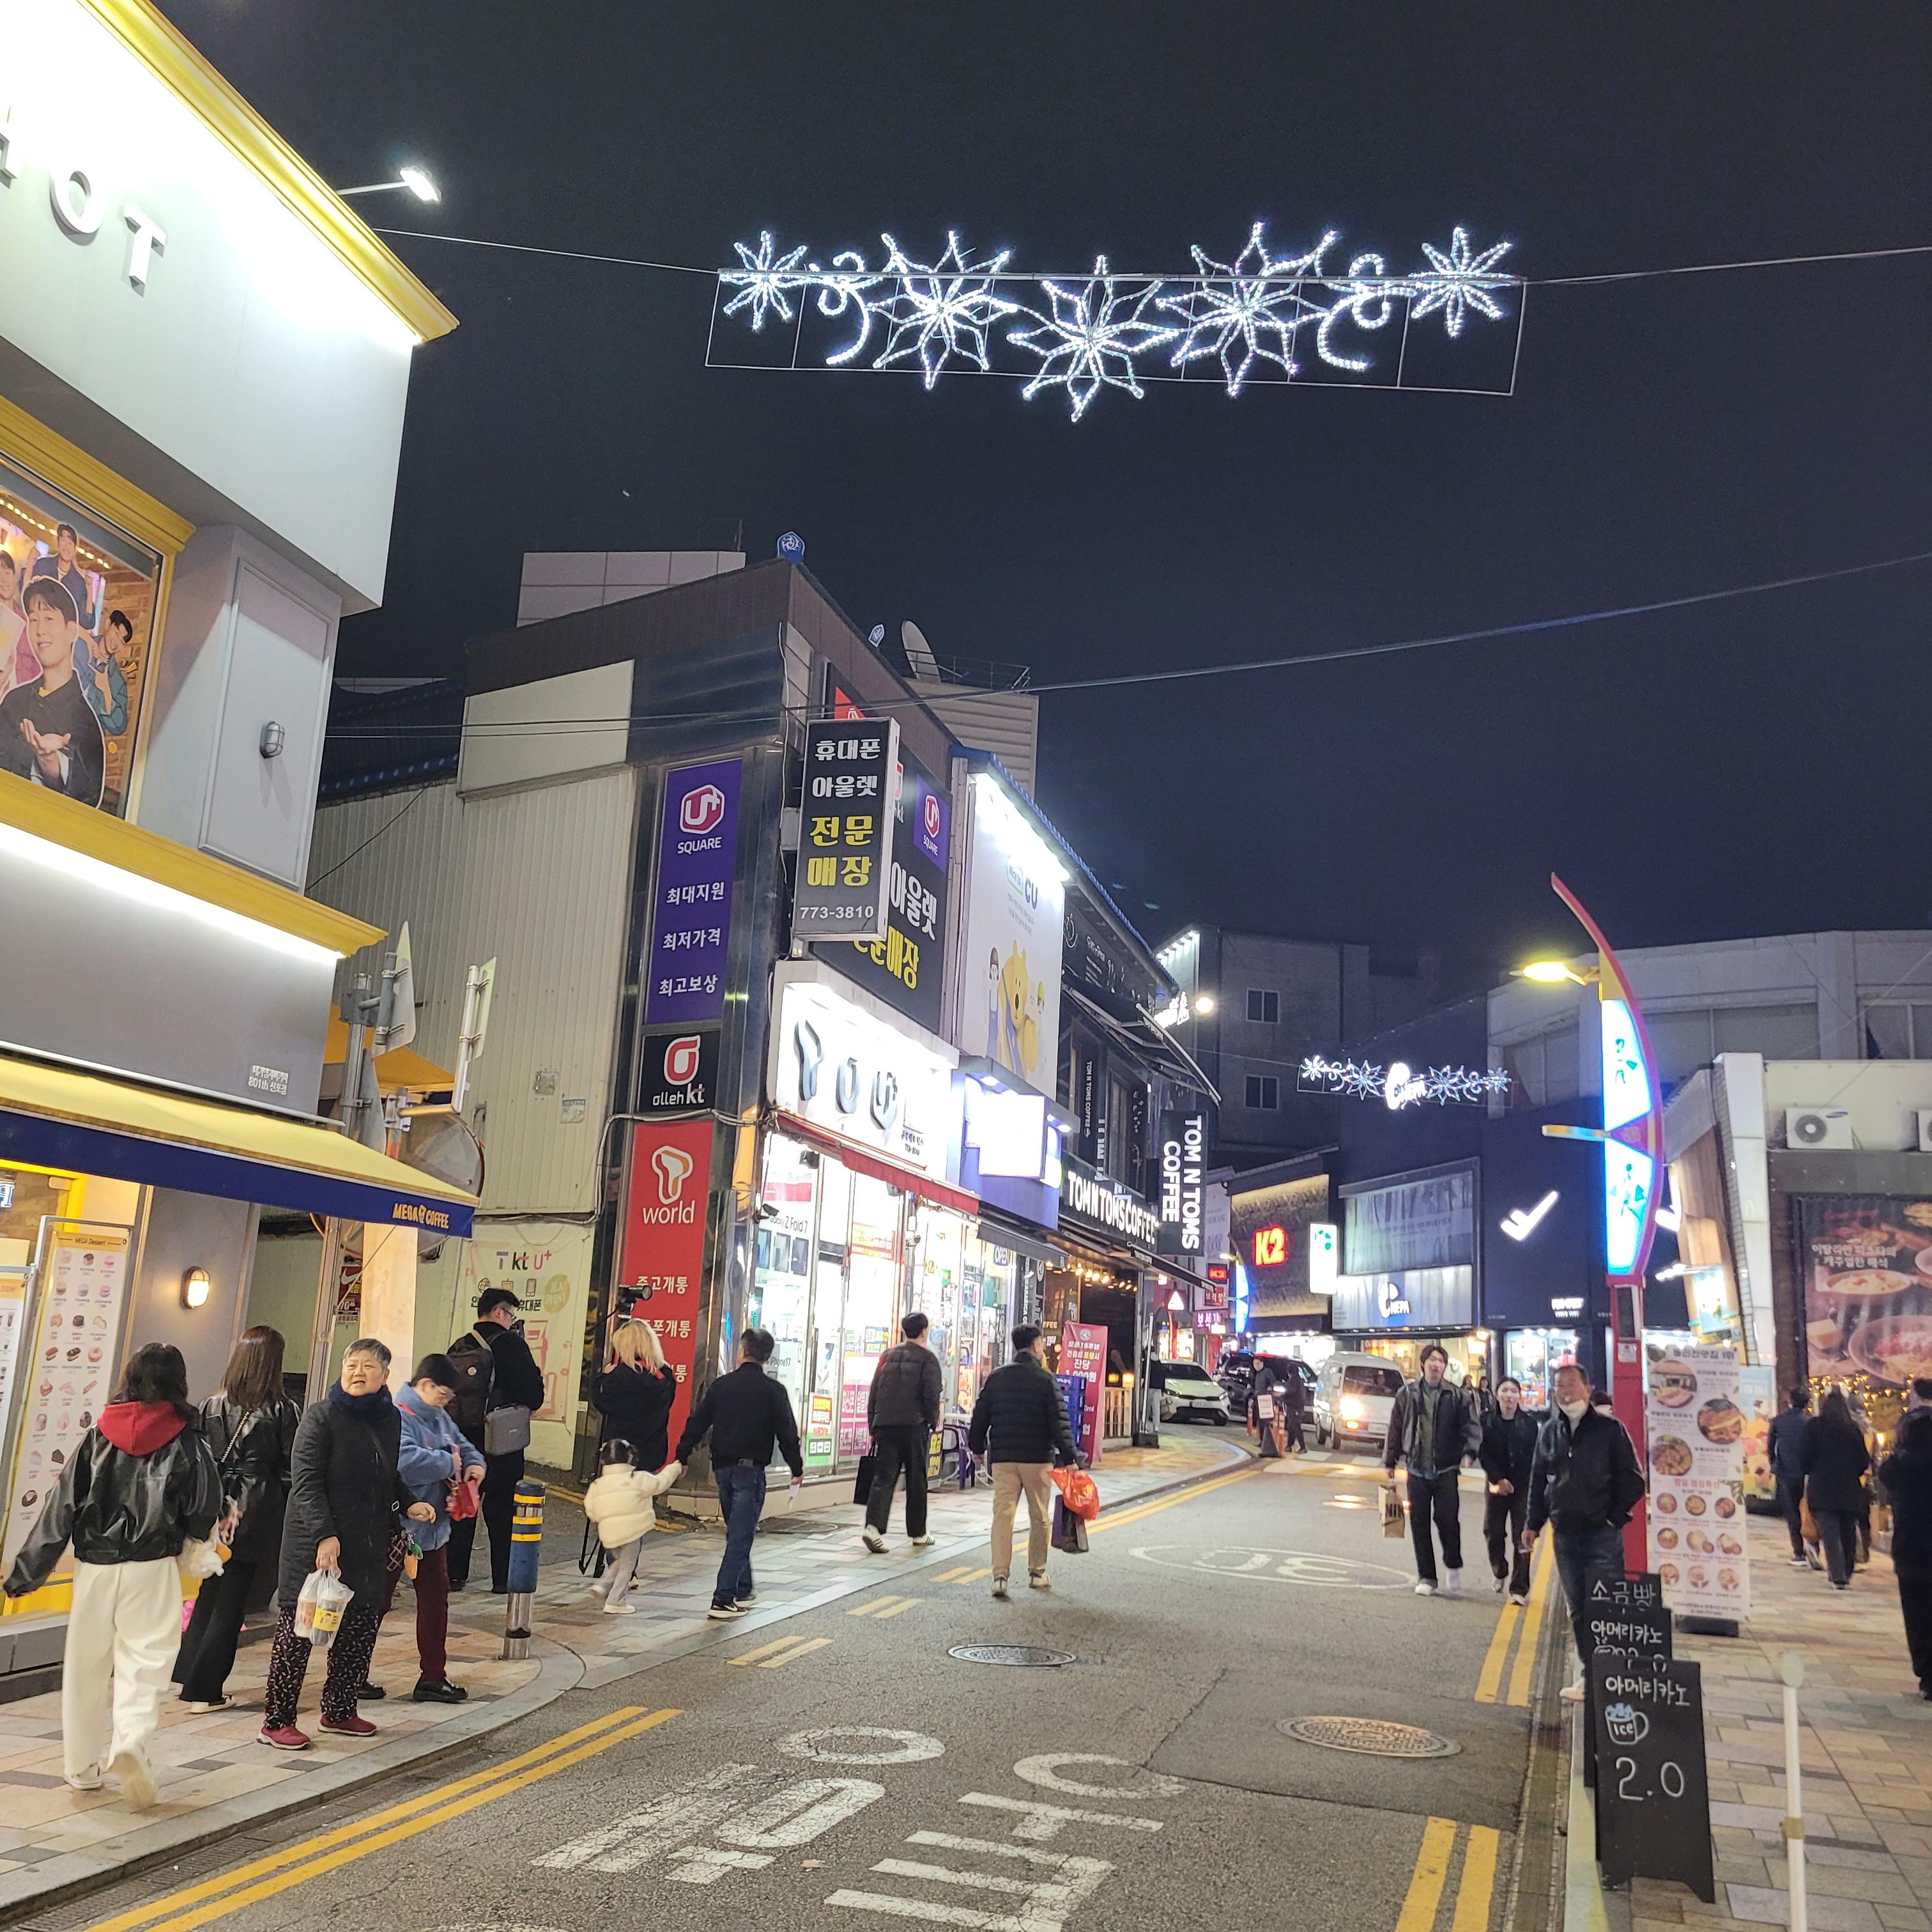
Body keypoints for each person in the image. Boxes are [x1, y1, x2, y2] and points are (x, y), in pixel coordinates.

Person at [5, 1343, 221, 1805]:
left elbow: (61, 1506)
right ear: (178, 1382)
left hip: (94, 1569)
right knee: (146, 1660)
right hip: (152, 1567)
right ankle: (131, 1740)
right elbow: (205, 1503)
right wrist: (194, 1541)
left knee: (85, 1666)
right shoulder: (187, 1437)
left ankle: (81, 1768)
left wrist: (26, 1573)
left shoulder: (98, 1434)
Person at [259, 1338, 436, 1751]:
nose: (358, 1373)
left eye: (368, 1367)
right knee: (300, 1632)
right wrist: (325, 1535)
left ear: (385, 1376)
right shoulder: (320, 1417)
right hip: (315, 1544)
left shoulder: (389, 1418)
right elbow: (306, 1483)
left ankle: (339, 1711)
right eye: (352, 1365)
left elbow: (387, 1474)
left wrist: (409, 1502)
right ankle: (276, 1721)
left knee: (358, 1629)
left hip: (367, 1542)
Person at [174, 1326, 300, 1712]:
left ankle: (187, 1674)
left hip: (214, 1504)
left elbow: (197, 1457)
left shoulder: (211, 1404)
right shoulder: (283, 1409)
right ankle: (204, 1690)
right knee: (232, 1603)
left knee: (210, 1592)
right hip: (255, 1510)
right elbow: (290, 1470)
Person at [1524, 1362, 1646, 1702]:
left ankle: (1610, 1676)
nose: (1565, 1392)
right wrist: (1533, 1524)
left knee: (1605, 1606)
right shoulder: (1549, 1431)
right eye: (1559, 1386)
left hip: (1601, 1536)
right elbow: (1539, 1480)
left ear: (1588, 1389)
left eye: (1571, 1384)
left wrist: (1614, 1519)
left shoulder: (1610, 1429)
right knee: (1578, 1606)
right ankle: (1588, 1674)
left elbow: (1634, 1480)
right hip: (1565, 1535)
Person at [673, 1327, 802, 1621]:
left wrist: (683, 1455)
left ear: (742, 1351)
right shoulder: (774, 1391)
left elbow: (697, 1422)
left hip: (722, 1470)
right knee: (741, 1535)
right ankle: (723, 1599)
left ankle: (743, 1589)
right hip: (750, 1472)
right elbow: (787, 1434)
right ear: (766, 1357)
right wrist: (796, 1469)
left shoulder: (721, 1386)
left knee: (737, 1531)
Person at [392, 1355, 487, 1702]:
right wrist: (449, 1462)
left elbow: (464, 1446)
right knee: (376, 1604)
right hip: (399, 1528)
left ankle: (433, 1676)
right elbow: (403, 1462)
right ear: (425, 1385)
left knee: (436, 1604)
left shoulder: (440, 1416)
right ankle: (353, 1675)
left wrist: (475, 1465)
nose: (447, 1402)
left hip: (434, 1531)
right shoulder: (399, 1415)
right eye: (444, 1394)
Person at [445, 1287, 546, 1593]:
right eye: (511, 1314)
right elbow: (534, 1396)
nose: (512, 1320)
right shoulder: (511, 1345)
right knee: (502, 1511)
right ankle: (503, 1580)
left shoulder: (460, 1346)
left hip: (464, 1441)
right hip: (502, 1444)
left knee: (464, 1506)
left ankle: (454, 1575)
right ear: (500, 1312)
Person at [967, 1324, 1078, 1600]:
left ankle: (999, 1577)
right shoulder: (1045, 1379)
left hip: (1004, 1458)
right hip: (1037, 1459)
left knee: (1003, 1515)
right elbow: (1059, 1421)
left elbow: (980, 1415)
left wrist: (977, 1447)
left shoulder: (997, 1377)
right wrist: (1070, 1458)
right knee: (1039, 1515)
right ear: (1036, 1346)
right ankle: (1037, 1573)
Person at [1383, 1344, 1482, 1597]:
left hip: (1446, 1469)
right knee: (1419, 1523)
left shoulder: (1458, 1396)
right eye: (1432, 1360)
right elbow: (1395, 1427)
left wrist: (1470, 1452)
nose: (1437, 1365)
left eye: (1441, 1361)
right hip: (1416, 1468)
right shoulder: (1407, 1393)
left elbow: (1471, 1426)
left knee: (1448, 1520)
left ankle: (1453, 1563)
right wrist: (1390, 1461)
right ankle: (1426, 1576)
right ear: (1423, 1364)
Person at [1, 576, 105, 804]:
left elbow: (89, 798)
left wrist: (51, 764)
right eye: (33, 620)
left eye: (49, 618)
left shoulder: (85, 722)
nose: (40, 630)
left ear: (72, 631)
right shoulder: (14, 700)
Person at [863, 1312, 942, 1553]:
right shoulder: (928, 1359)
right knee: (917, 1478)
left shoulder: (887, 1356)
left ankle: (873, 1528)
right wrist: (932, 1421)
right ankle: (918, 1533)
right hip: (914, 1426)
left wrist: (873, 1425)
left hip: (885, 1425)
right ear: (924, 1332)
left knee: (884, 1478)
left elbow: (874, 1393)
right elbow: (931, 1394)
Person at [583, 1438, 684, 1613]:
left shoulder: (597, 1484)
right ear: (630, 1458)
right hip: (632, 1531)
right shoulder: (638, 1479)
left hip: (608, 1534)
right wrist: (674, 1468)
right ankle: (615, 1601)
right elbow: (661, 1483)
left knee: (619, 1562)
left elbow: (591, 1509)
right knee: (627, 1566)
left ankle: (604, 1584)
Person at [1876, 1407, 1932, 1701]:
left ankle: (1927, 1675)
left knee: (1917, 1616)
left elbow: (1885, 1474)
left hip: (1911, 1549)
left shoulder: (1900, 1466)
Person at [1800, 1387, 1870, 1590]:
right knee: (1848, 1530)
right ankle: (1847, 1570)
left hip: (1822, 1486)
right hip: (1849, 1487)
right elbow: (1863, 1460)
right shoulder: (1853, 1430)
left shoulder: (1814, 1427)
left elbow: (1804, 1457)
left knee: (1830, 1531)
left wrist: (1812, 1470)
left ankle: (1837, 1574)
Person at [1480, 1376, 1540, 1605]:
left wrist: (1514, 1482)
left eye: (1514, 1391)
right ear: (1497, 1395)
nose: (1509, 1395)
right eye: (1505, 1390)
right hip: (1495, 1484)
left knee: (1522, 1536)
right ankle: (1500, 1570)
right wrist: (1499, 1479)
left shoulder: (1529, 1424)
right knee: (1493, 1532)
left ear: (1519, 1397)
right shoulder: (1486, 1421)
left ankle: (1519, 1588)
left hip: (1522, 1486)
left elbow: (1533, 1456)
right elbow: (1483, 1452)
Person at [593, 1319, 678, 1473]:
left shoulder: (622, 1376)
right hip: (652, 1454)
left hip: (621, 1455)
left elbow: (601, 1402)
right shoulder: (665, 1375)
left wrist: (604, 1377)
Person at [1768, 1388, 1813, 1567]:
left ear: (1790, 1401)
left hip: (1785, 1471)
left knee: (1791, 1512)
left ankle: (1798, 1552)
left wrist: (1774, 1463)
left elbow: (1770, 1446)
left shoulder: (1779, 1421)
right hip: (1807, 1473)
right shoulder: (1810, 1422)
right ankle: (1813, 1547)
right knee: (1808, 1511)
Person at [29, 523, 98, 630]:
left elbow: (87, 622)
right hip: (34, 629)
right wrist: (30, 563)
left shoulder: (79, 583)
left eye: (70, 543)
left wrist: (90, 591)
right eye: (63, 540)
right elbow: (24, 590)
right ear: (58, 543)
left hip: (59, 636)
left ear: (75, 550)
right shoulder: (43, 565)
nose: (66, 546)